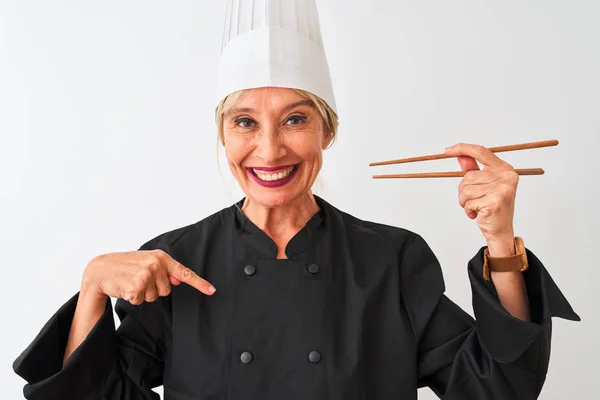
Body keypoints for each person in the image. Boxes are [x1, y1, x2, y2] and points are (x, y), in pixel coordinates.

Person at [13, 1, 579, 399]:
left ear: (326, 132)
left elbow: (498, 388)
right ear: (223, 135)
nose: (269, 148)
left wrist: (500, 240)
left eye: (295, 120)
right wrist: (92, 284)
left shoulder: (391, 259)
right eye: (244, 122)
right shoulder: (174, 261)